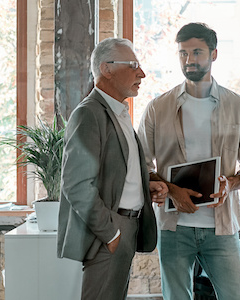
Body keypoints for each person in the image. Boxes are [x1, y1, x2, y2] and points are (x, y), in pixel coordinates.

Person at [137, 22, 240, 300]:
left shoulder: (238, 106)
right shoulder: (158, 108)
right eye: (183, 53)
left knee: (234, 296)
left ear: (213, 54)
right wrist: (171, 190)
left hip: (222, 227)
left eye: (197, 52)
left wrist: (231, 184)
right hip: (174, 227)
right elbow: (140, 166)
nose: (189, 60)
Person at [56, 37, 168, 300]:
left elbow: (117, 170)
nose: (142, 73)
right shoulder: (89, 114)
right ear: (106, 69)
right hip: (109, 231)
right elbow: (76, 185)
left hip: (127, 226)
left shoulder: (119, 112)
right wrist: (111, 233)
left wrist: (144, 187)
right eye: (133, 65)